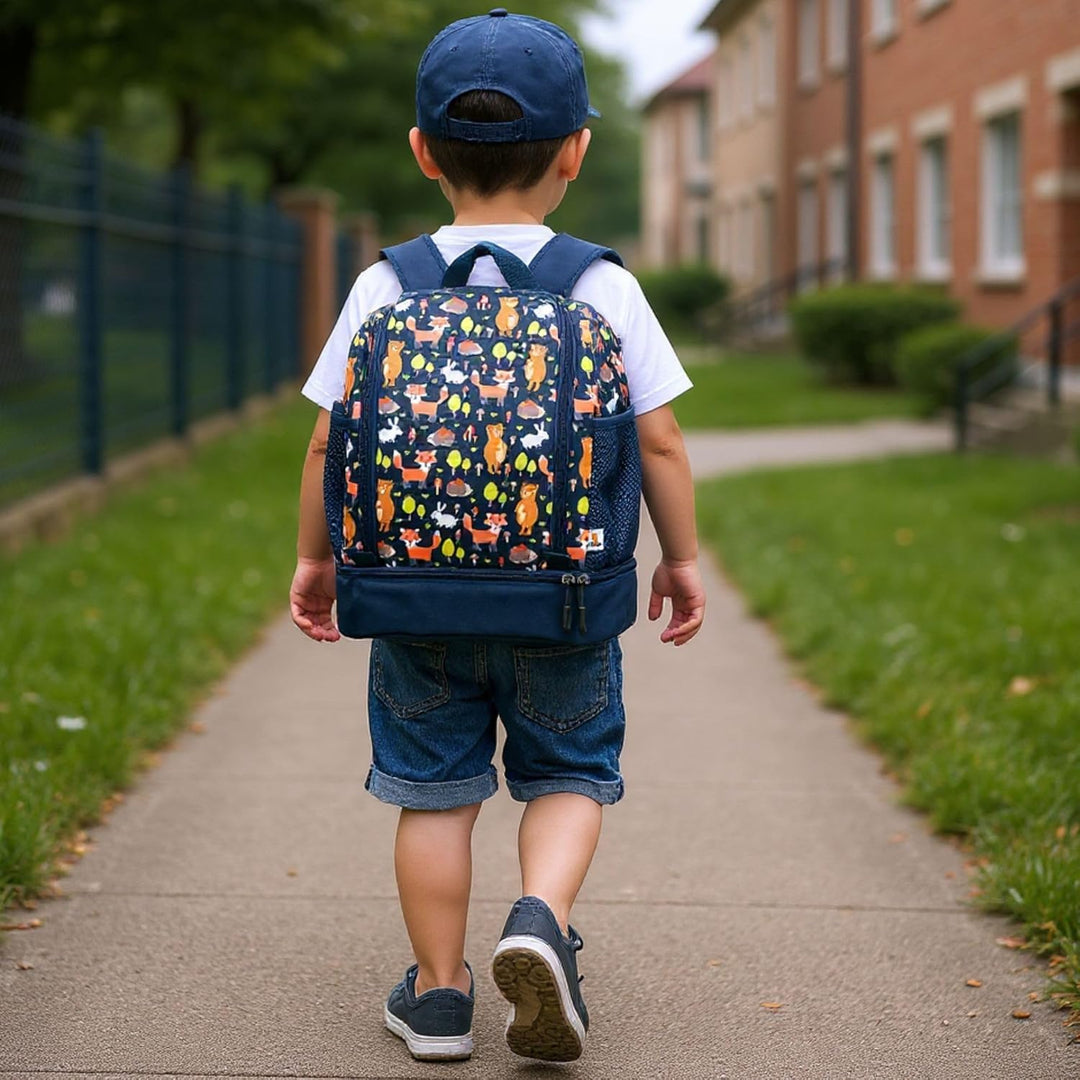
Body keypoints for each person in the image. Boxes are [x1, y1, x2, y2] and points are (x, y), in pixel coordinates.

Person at [289, 8, 705, 1064]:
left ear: (423, 152)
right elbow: (657, 441)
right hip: (565, 600)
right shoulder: (600, 284)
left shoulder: (386, 283)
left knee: (433, 793)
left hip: (416, 604)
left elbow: (329, 446)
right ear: (577, 151)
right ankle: (538, 919)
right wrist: (683, 560)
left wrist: (319, 561)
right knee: (567, 772)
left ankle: (436, 999)